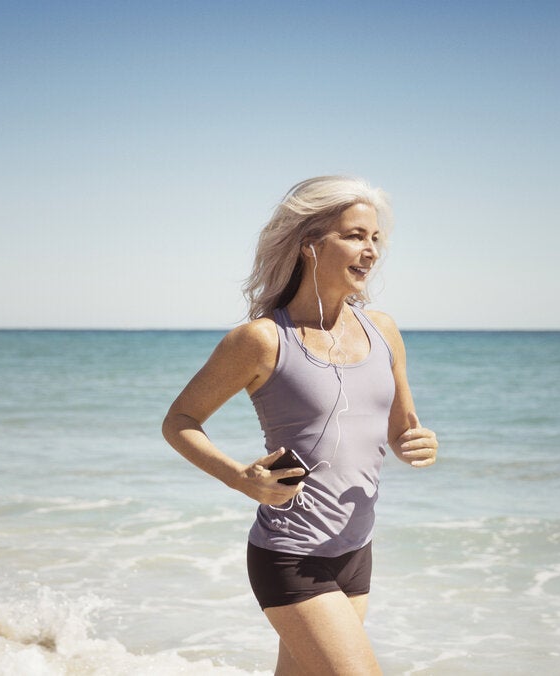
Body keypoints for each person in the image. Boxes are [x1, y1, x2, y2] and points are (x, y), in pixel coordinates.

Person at [162, 176, 438, 675]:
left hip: (355, 548)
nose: (371, 250)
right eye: (355, 235)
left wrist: (417, 442)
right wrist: (241, 478)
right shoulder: (262, 340)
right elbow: (180, 421)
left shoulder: (384, 330)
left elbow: (402, 429)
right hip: (291, 554)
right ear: (310, 243)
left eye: (375, 238)